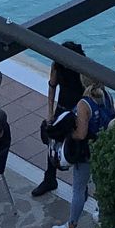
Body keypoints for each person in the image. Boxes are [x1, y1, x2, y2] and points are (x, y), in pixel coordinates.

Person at [50, 75, 115, 228]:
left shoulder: (84, 104)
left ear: (83, 81)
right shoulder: (108, 95)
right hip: (103, 147)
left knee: (78, 189)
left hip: (86, 153)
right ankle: (101, 216)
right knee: (100, 183)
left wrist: (67, 134)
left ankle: (71, 226)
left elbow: (81, 134)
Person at [31, 40, 86, 198]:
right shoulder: (57, 65)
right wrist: (50, 112)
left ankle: (81, 186)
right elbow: (52, 86)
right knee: (52, 142)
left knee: (79, 146)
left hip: (78, 110)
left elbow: (88, 90)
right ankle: (50, 179)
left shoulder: (82, 68)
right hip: (62, 108)